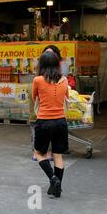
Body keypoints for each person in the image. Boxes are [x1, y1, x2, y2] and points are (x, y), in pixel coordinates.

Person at [32, 51, 69, 198]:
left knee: (39, 153)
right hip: (61, 122)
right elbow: (66, 97)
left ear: (42, 64)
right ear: (57, 64)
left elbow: (34, 97)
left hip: (44, 121)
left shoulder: (38, 80)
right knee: (58, 155)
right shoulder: (64, 80)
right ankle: (57, 189)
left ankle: (53, 179)